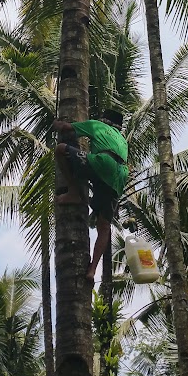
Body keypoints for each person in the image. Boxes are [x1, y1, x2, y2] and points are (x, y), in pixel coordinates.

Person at [53, 110, 128, 282]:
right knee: (104, 225)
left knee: (60, 150)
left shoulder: (97, 125)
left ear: (104, 120)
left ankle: (73, 193)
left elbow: (66, 128)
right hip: (120, 176)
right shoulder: (123, 140)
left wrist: (56, 124)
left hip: (103, 163)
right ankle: (92, 270)